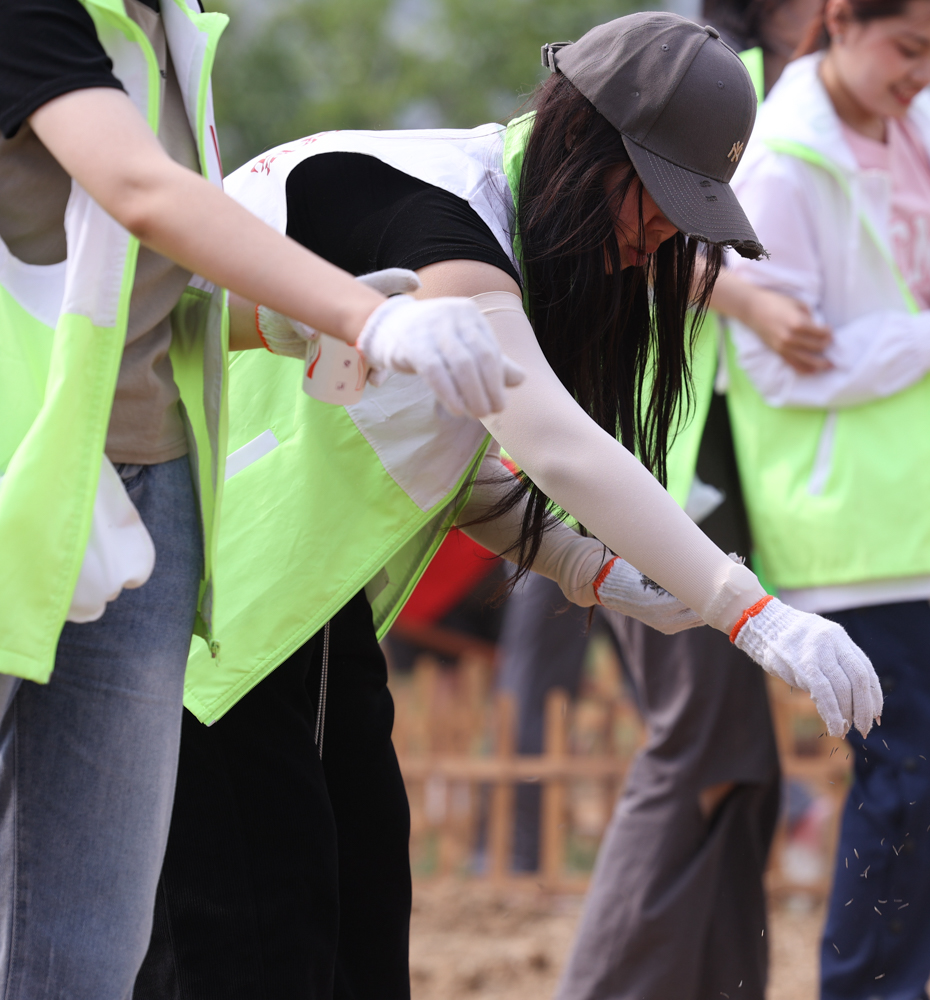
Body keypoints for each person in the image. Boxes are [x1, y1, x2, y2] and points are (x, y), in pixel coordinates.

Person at [130, 14, 882, 998]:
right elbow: (551, 437)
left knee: (360, 940)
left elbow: (424, 448)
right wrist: (751, 610)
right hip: (197, 619)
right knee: (250, 955)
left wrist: (584, 564)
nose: (657, 234)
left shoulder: (497, 244)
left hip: (299, 625)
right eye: (653, 196)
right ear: (581, 140)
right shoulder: (438, 206)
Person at [0, 1, 517, 995]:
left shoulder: (173, 29)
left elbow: (135, 278)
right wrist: (361, 315)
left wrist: (277, 325)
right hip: (27, 485)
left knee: (85, 947)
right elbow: (137, 189)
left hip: (145, 505)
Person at [726, 0, 930, 993]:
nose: (926, 73)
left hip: (921, 498)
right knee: (914, 766)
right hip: (842, 509)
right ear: (839, 19)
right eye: (909, 48)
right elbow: (779, 367)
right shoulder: (780, 163)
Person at [549, 3, 827, 996]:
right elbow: (616, 220)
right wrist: (746, 294)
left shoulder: (809, 96)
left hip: (734, 482)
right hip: (657, 480)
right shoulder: (706, 79)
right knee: (701, 748)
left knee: (743, 765)